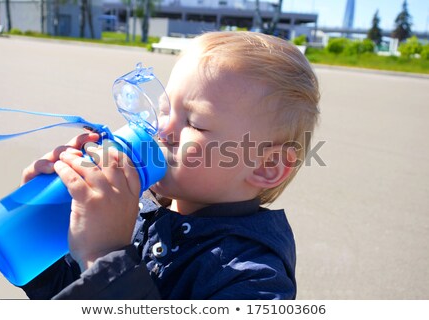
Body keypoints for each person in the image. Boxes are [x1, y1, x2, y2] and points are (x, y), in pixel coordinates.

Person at [20, 31, 320, 299]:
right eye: (164, 111)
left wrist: (105, 256)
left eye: (195, 123)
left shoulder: (254, 277)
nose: (161, 130)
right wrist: (46, 226)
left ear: (266, 166)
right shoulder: (138, 210)